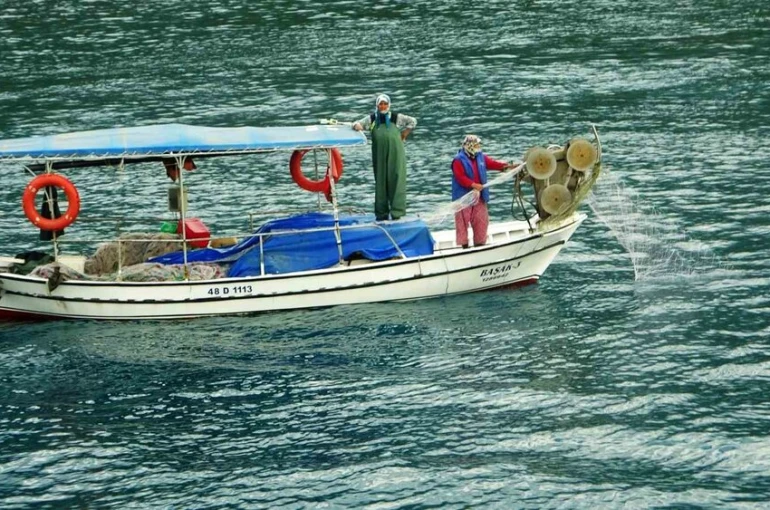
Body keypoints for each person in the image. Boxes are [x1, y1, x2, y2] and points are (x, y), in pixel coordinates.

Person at [352, 94, 417, 221]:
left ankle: (397, 213)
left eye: (385, 104)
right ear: (377, 105)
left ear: (389, 105)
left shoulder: (395, 117)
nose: (383, 106)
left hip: (396, 155)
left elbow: (412, 121)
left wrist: (404, 134)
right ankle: (381, 214)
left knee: (396, 180)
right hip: (379, 156)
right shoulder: (372, 119)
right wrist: (356, 126)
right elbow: (358, 124)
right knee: (381, 182)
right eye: (380, 104)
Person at [451, 134, 516, 248]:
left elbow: (492, 164)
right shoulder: (458, 160)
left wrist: (507, 167)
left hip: (479, 196)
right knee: (462, 222)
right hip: (463, 197)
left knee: (481, 220)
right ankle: (464, 246)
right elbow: (460, 177)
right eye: (475, 145)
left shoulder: (480, 157)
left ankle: (480, 245)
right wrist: (473, 184)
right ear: (469, 146)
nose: (478, 147)